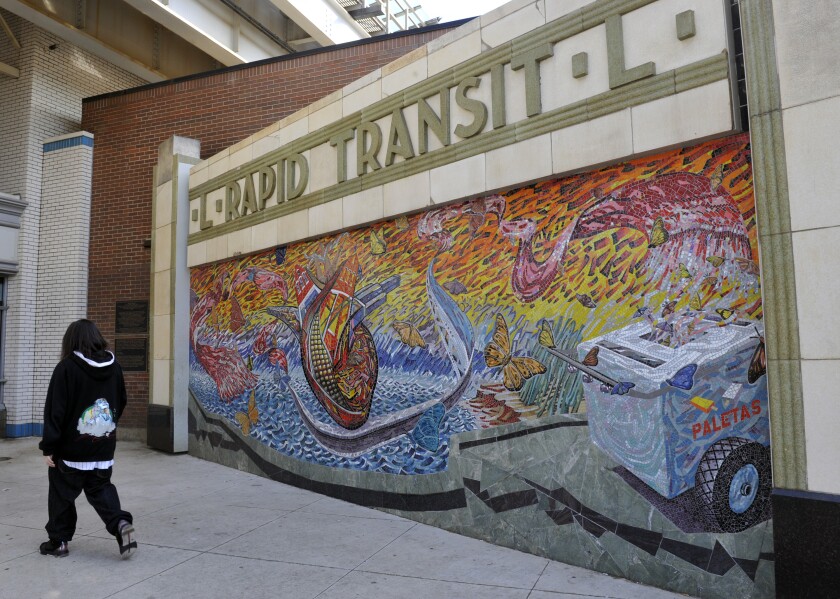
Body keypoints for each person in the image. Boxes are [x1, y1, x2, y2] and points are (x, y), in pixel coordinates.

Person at [38, 319, 137, 559]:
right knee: (101, 487)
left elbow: (55, 410)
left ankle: (59, 542)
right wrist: (107, 428)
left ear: (70, 340)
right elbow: (121, 401)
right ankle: (121, 525)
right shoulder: (115, 367)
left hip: (71, 450)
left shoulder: (66, 368)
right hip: (103, 446)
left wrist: (49, 446)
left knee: (61, 493)